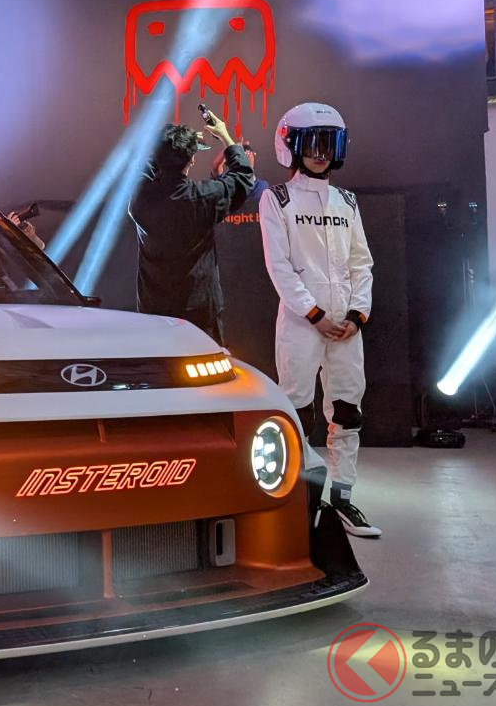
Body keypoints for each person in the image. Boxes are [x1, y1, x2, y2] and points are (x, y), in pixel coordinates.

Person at [259, 102, 378, 538]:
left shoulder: (347, 201)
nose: (321, 152)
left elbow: (361, 263)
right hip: (301, 325)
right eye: (312, 143)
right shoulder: (277, 200)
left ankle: (342, 499)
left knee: (347, 410)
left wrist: (356, 316)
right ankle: (301, 501)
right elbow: (280, 267)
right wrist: (314, 314)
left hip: (346, 328)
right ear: (292, 146)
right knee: (297, 410)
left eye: (329, 143)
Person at [127, 110, 256, 344]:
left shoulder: (140, 198)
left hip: (153, 312)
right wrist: (225, 135)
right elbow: (243, 177)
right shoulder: (203, 197)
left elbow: (143, 166)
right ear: (192, 160)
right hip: (199, 314)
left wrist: (171, 143)